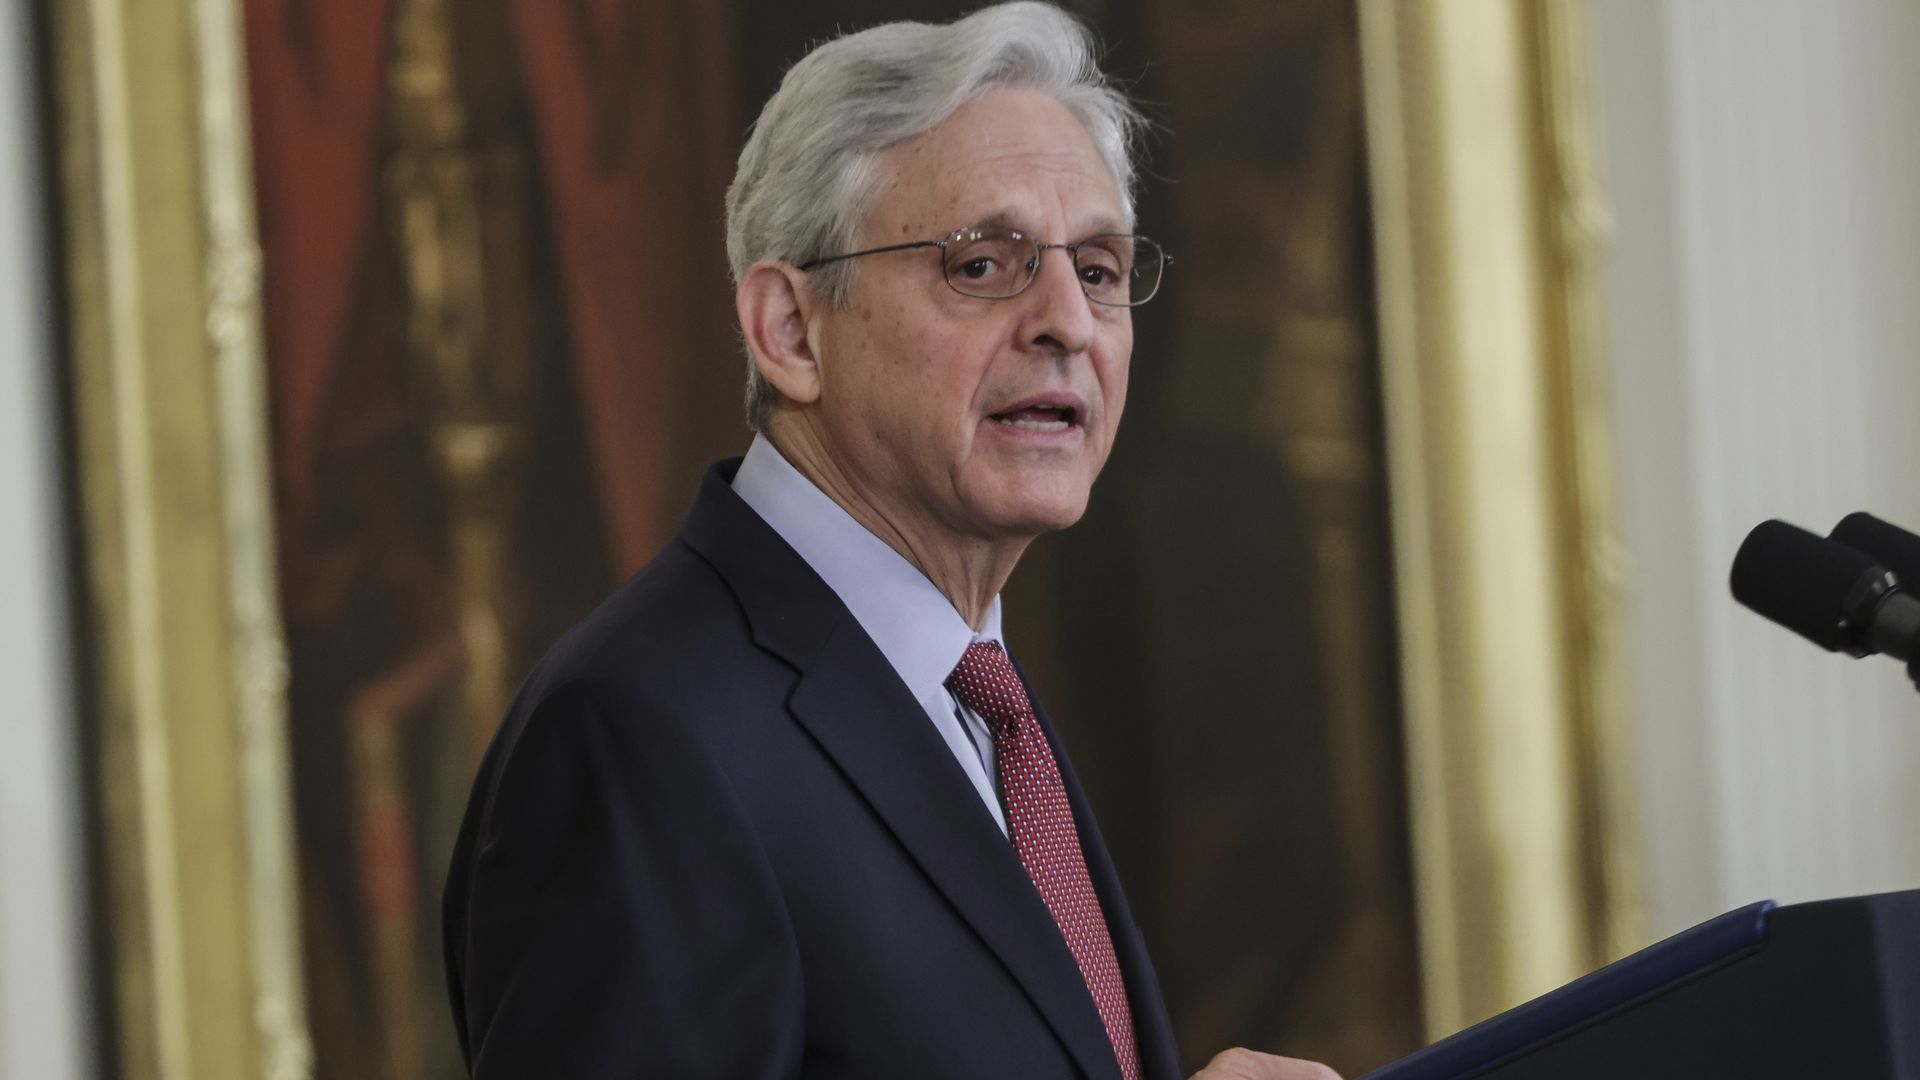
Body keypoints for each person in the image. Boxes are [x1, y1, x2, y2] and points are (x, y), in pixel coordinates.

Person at [442, 4, 1341, 1078]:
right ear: (790, 329)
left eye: (1098, 270)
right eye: (982, 265)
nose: (1069, 321)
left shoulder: (979, 699)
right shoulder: (639, 736)